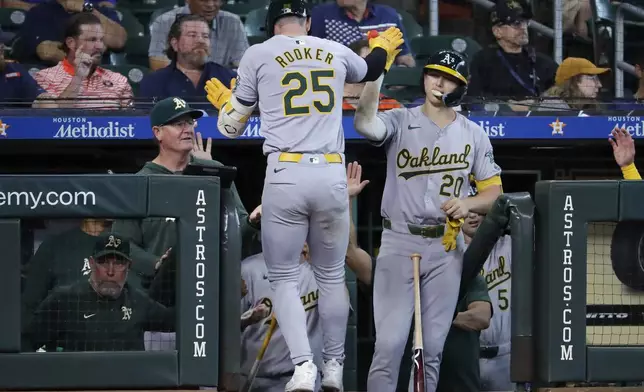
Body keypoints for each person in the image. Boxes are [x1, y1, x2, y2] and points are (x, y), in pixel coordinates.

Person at [203, 0, 403, 389]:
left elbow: (229, 128)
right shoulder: (331, 48)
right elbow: (372, 70)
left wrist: (225, 106)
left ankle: (303, 367)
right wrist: (382, 48)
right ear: (307, 22)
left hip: (286, 172)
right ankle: (334, 367)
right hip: (330, 171)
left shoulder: (259, 52)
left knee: (283, 277)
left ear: (271, 25)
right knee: (330, 276)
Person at [353, 49, 503, 392]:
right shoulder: (399, 120)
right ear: (423, 77)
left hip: (445, 246)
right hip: (399, 240)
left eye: (448, 77)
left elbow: (494, 191)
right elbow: (364, 123)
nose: (439, 82)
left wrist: (468, 203)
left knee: (431, 349)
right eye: (434, 74)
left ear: (460, 86)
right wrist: (377, 74)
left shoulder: (473, 133)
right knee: (388, 346)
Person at [239, 162, 373, 392]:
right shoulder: (249, 269)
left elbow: (347, 248)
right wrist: (247, 320)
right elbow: (223, 330)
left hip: (308, 382)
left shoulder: (322, 270)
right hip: (257, 379)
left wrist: (344, 202)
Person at [111, 96, 260, 290]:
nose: (187, 129)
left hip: (211, 286)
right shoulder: (138, 183)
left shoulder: (216, 173)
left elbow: (236, 229)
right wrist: (155, 263)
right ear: (158, 132)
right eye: (178, 124)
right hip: (160, 293)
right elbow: (121, 244)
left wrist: (252, 221)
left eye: (190, 122)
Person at [23, 233, 174, 352]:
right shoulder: (64, 300)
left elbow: (175, 321)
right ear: (91, 263)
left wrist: (172, 267)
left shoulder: (138, 301)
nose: (110, 271)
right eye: (103, 262)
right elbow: (26, 343)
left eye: (118, 263)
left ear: (129, 266)